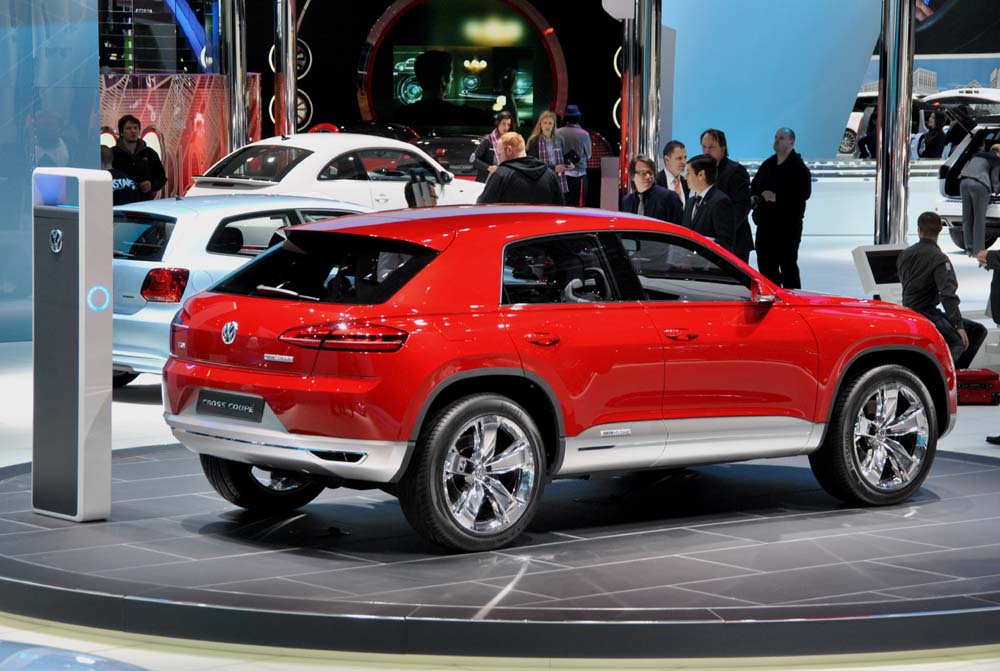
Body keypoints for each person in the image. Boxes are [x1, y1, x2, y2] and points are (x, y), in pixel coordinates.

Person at [897, 211, 986, 370]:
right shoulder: (939, 258)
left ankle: (957, 375)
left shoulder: (904, 254)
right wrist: (958, 326)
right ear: (940, 229)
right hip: (927, 313)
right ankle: (946, 378)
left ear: (919, 230)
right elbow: (947, 295)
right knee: (958, 342)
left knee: (976, 330)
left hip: (910, 312)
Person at [750, 127, 812, 289]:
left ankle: (793, 298)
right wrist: (754, 197)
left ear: (791, 141)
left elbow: (804, 193)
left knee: (788, 266)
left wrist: (778, 197)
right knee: (765, 265)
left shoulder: (799, 168)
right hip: (765, 225)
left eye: (781, 138)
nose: (777, 141)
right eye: (776, 137)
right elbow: (754, 186)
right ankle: (773, 296)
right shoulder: (768, 164)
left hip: (787, 227)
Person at [394, 50, 493, 134]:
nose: (452, 79)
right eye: (452, 75)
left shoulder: (401, 115)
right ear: (444, 80)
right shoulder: (462, 116)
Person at [700, 129, 753, 262]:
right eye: (704, 147)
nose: (706, 151)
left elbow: (743, 206)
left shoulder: (735, 171)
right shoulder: (702, 171)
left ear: (723, 149)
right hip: (709, 243)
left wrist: (723, 232)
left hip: (734, 243)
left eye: (711, 147)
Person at [476, 132, 565, 205]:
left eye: (499, 154)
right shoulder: (549, 174)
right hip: (543, 222)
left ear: (509, 150)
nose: (498, 158)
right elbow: (561, 206)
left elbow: (482, 206)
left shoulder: (501, 175)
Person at [680, 154, 739, 255]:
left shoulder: (720, 202)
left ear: (701, 175)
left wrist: (702, 243)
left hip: (708, 263)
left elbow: (726, 243)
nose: (685, 178)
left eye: (688, 173)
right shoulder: (690, 202)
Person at [111, 114, 166, 201]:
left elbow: (161, 178)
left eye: (135, 128)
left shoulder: (150, 153)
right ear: (121, 132)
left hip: (144, 203)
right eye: (128, 128)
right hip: (120, 203)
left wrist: (151, 184)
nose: (133, 131)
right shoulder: (112, 154)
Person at [958, 143, 1000, 256]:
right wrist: (997, 190)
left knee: (967, 217)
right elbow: (995, 179)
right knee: (979, 219)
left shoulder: (977, 155)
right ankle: (978, 251)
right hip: (979, 185)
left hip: (963, 182)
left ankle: (969, 248)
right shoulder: (996, 159)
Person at [621, 155, 682, 224]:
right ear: (632, 176)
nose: (648, 176)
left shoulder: (669, 197)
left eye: (650, 172)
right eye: (643, 173)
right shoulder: (627, 201)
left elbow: (678, 227)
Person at [526, 111, 569, 198]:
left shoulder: (559, 139)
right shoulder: (534, 141)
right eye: (545, 123)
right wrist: (553, 168)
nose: (547, 126)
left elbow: (563, 157)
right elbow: (533, 163)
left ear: (553, 125)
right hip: (542, 179)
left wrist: (568, 165)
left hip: (558, 179)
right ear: (540, 124)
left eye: (550, 123)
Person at [555, 104, 591, 207]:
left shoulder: (558, 132)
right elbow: (588, 155)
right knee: (578, 208)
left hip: (562, 175)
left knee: (562, 206)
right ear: (578, 117)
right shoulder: (584, 134)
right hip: (579, 176)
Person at [472, 111, 513, 183]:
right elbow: (473, 159)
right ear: (498, 123)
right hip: (486, 180)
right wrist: (489, 167)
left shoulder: (510, 141)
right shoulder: (487, 140)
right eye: (503, 123)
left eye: (508, 124)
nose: (506, 127)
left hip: (503, 180)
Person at [655, 140, 688, 206]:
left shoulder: (686, 182)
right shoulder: (655, 182)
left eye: (685, 158)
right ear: (667, 160)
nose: (684, 162)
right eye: (679, 158)